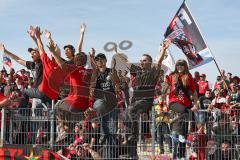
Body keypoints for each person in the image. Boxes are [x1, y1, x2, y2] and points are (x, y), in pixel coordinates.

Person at [163, 59, 198, 159]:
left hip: (186, 105)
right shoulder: (171, 75)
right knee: (185, 111)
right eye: (178, 65)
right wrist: (164, 103)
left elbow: (194, 92)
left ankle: (181, 154)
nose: (179, 67)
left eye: (182, 65)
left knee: (183, 133)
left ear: (185, 66)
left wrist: (195, 104)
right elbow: (164, 90)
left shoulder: (188, 76)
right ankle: (173, 120)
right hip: (174, 103)